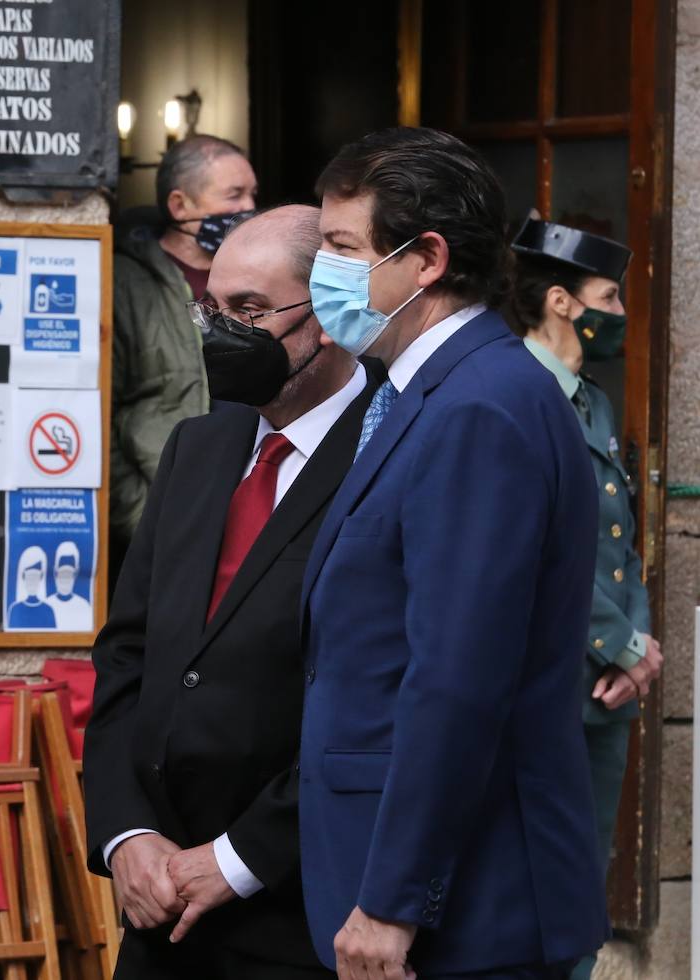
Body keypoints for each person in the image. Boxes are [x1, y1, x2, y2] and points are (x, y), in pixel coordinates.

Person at [298, 128, 609, 979]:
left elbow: (458, 678)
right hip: (415, 892)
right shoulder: (424, 393)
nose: (322, 272)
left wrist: (395, 899)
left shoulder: (479, 405)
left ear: (426, 257)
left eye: (341, 248)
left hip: (468, 913)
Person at [85, 205, 381, 980]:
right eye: (210, 309)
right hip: (159, 905)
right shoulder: (200, 443)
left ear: (331, 318)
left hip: (298, 902)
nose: (221, 332)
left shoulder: (391, 453)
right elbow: (128, 655)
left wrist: (240, 858)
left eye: (250, 312)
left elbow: (383, 695)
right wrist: (126, 836)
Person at [507, 218, 663, 980]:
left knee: (581, 881)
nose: (622, 313)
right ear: (563, 302)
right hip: (545, 679)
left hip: (603, 687)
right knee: (530, 875)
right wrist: (624, 646)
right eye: (610, 296)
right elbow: (536, 551)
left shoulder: (592, 403)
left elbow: (617, 542)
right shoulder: (516, 394)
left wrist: (637, 647)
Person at [110, 135, 259, 564]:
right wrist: (144, 519)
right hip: (162, 524)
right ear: (180, 206)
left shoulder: (262, 280)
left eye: (253, 194)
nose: (248, 208)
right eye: (234, 195)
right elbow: (100, 415)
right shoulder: (124, 283)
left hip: (251, 517)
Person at [46, 541, 94, 630]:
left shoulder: (84, 607)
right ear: (55, 572)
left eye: (69, 573)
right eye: (61, 573)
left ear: (76, 574)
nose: (65, 579)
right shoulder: (46, 606)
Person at [7, 545, 57, 629]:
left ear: (41, 577)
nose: (32, 581)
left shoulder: (48, 611)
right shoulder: (15, 610)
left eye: (36, 576)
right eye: (29, 576)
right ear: (23, 577)